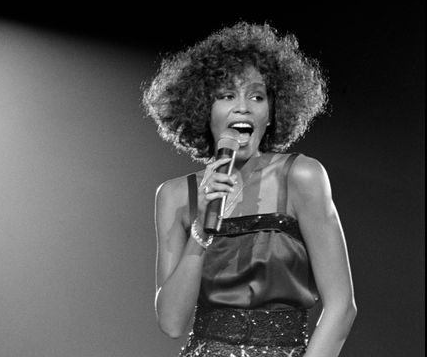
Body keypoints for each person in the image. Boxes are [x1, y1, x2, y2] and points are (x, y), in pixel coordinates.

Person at [141, 22, 356, 356]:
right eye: (227, 96)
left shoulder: (302, 176)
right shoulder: (175, 196)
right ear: (203, 109)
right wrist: (200, 232)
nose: (243, 107)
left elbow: (342, 307)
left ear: (271, 113)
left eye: (257, 96)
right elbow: (171, 323)